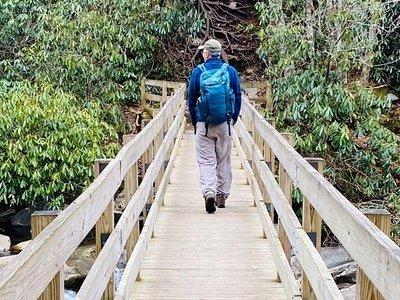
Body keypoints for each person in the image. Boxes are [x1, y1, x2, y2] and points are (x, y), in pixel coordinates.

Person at [188, 39, 242, 213]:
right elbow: (238, 97)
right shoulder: (230, 71)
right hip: (224, 123)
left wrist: (196, 122)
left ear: (206, 53)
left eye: (203, 51)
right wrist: (232, 119)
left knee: (206, 161)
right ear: (219, 53)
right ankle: (221, 195)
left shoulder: (198, 72)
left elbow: (190, 99)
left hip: (204, 122)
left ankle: (209, 191)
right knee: (223, 160)